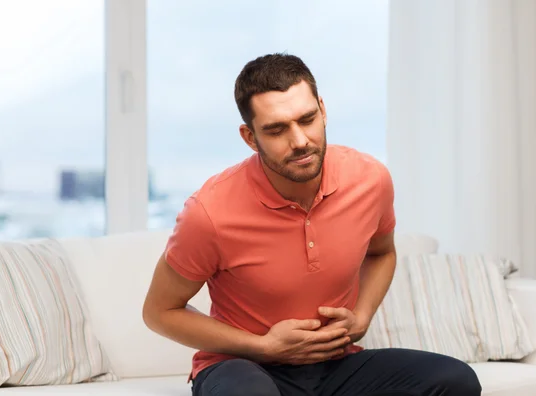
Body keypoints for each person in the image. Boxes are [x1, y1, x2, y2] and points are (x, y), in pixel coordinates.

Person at [142, 53, 482, 396]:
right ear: (249, 136)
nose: (300, 141)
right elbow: (160, 311)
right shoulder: (208, 213)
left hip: (337, 364)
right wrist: (264, 346)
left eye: (307, 119)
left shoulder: (370, 179)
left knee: (456, 381)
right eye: (277, 130)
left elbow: (381, 254)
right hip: (243, 366)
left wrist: (361, 317)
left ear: (322, 109)